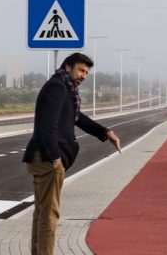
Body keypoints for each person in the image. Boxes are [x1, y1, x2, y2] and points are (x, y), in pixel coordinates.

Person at [23, 52, 122, 255]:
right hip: (47, 159)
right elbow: (47, 127)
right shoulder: (57, 88)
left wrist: (105, 132)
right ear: (68, 67)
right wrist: (55, 159)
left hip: (43, 157)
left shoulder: (65, 89)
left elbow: (78, 118)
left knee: (42, 213)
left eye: (86, 72)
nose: (84, 75)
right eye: (81, 70)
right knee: (49, 215)